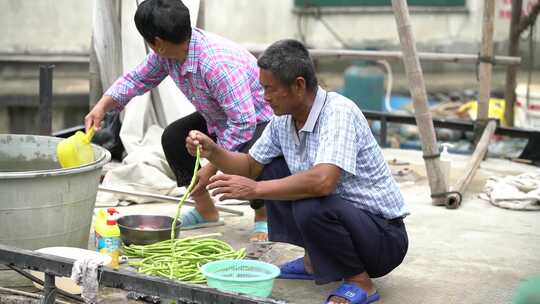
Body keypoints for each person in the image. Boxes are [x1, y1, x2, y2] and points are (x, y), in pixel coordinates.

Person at [185, 39, 409, 304]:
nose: (264, 97)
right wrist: (214, 151)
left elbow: (323, 182)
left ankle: (360, 281)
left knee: (310, 203)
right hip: (349, 223)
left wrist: (255, 189)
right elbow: (251, 165)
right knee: (272, 169)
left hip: (383, 239)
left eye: (271, 89)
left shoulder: (338, 113)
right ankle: (313, 260)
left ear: (299, 86)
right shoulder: (283, 120)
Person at [84, 0, 272, 241]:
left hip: (260, 121)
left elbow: (243, 124)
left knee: (248, 156)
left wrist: (212, 164)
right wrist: (102, 106)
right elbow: (136, 80)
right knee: (174, 137)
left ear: (158, 43)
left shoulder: (216, 65)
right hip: (219, 117)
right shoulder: (169, 53)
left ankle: (263, 215)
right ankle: (206, 211)